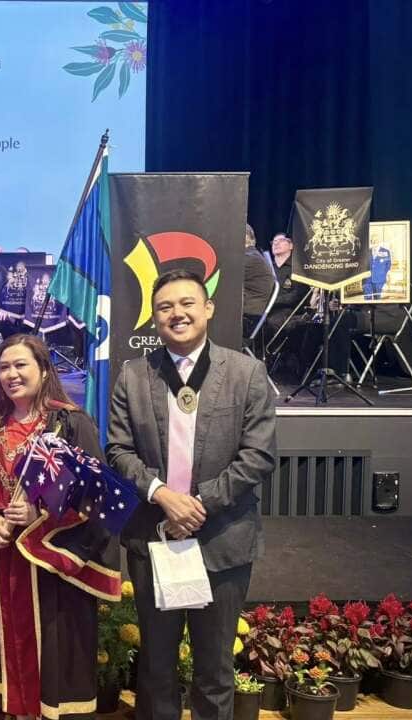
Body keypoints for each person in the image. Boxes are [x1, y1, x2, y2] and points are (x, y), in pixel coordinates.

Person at [105, 269, 276, 720]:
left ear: (208, 309)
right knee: (156, 666)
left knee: (215, 669)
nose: (176, 313)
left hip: (222, 539)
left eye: (186, 303)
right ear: (154, 317)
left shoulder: (246, 373)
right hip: (154, 537)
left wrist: (198, 504)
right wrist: (163, 495)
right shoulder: (133, 376)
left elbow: (258, 456)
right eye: (165, 307)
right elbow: (118, 450)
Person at [0, 334, 122, 719]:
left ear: (44, 370)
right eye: (4, 367)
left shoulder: (70, 424)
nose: (11, 374)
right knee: (1, 661)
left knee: (54, 658)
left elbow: (97, 495)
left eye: (21, 365)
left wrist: (41, 515)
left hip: (53, 567)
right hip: (4, 566)